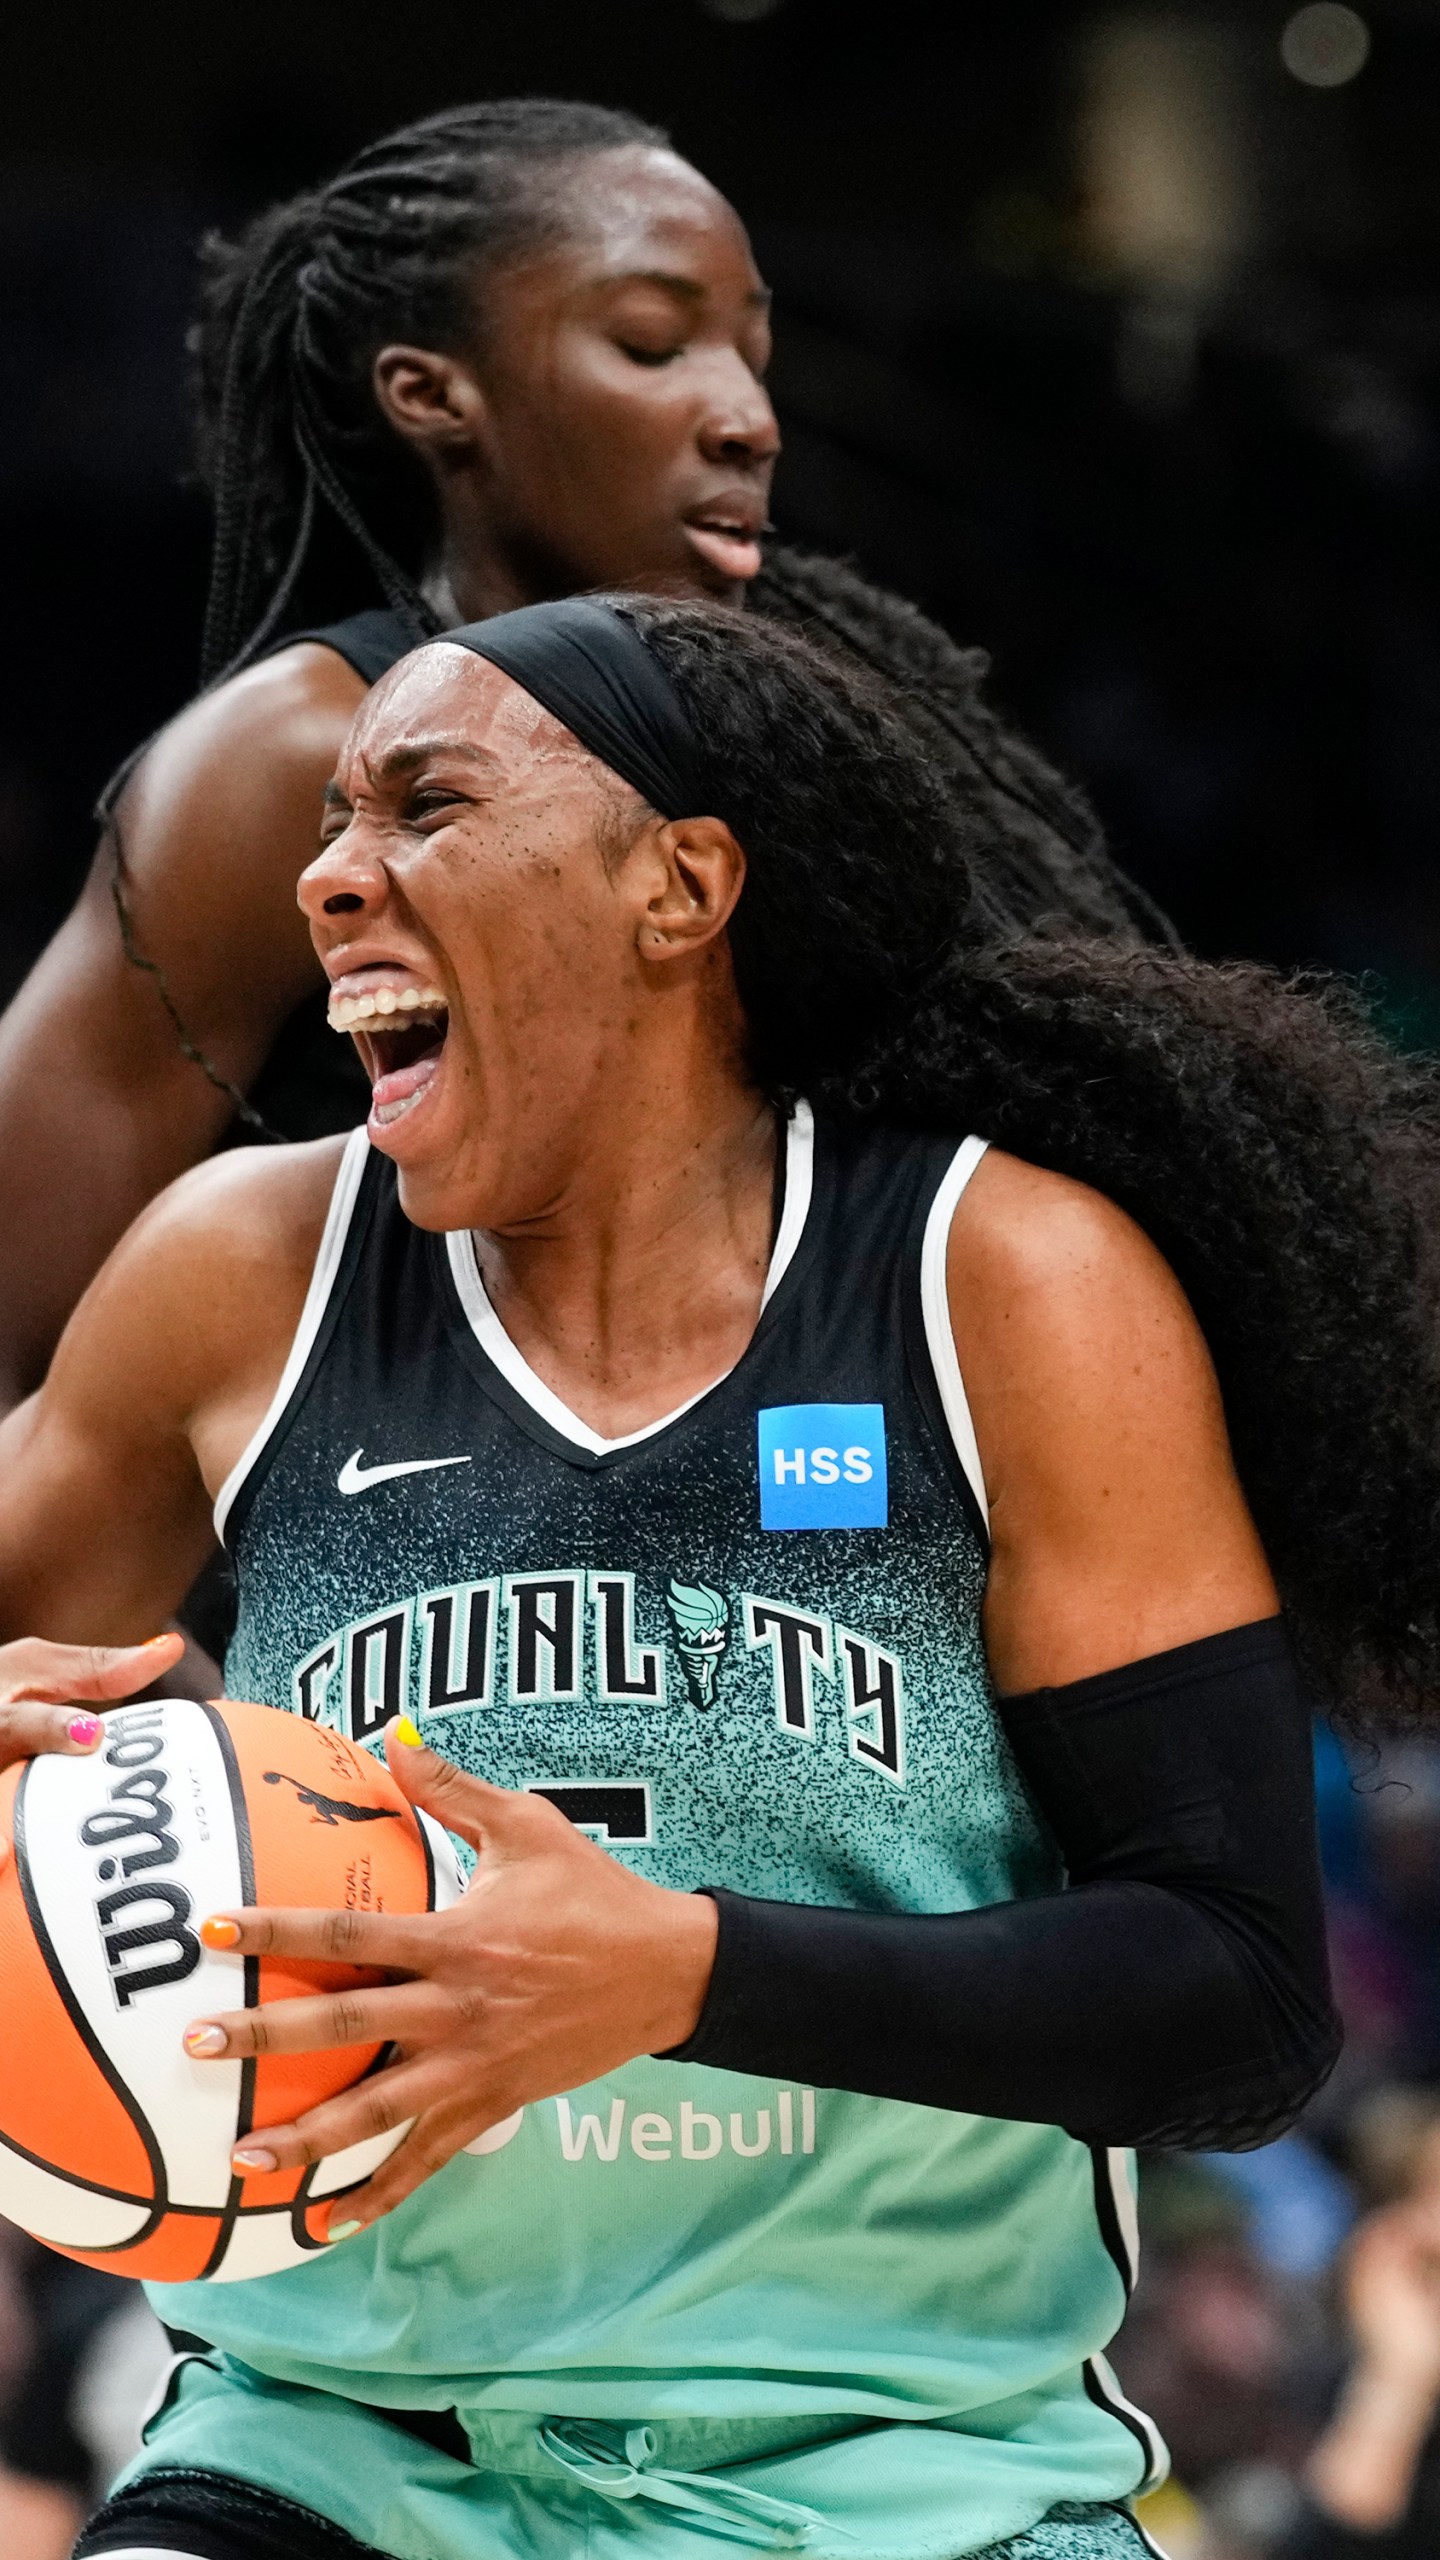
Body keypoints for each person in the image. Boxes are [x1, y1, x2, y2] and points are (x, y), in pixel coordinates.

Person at [6, 589, 1434, 2560]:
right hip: (336, 2451)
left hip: (905, 2474)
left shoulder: (998, 1287)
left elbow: (1243, 2000)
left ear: (679, 885)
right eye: (330, 818)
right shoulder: (240, 1273)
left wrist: (678, 1972)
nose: (331, 874)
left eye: (422, 804)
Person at [0, 97, 1167, 1423]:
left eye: (753, 351)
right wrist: (180, 1639)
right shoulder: (305, 749)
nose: (746, 418)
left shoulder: (789, 731)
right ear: (435, 395)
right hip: (403, 1583)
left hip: (791, 1562)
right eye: (653, 345)